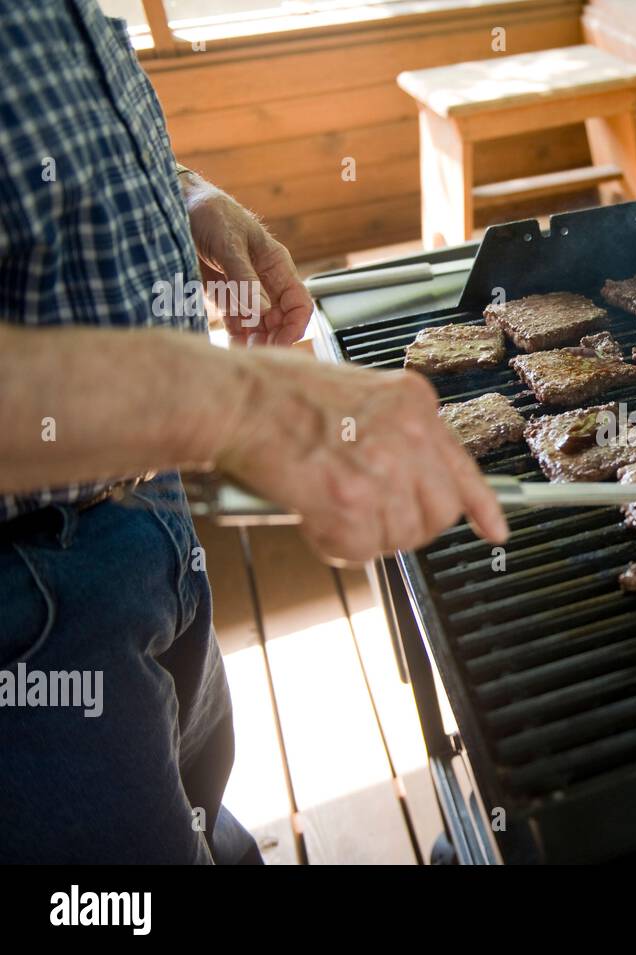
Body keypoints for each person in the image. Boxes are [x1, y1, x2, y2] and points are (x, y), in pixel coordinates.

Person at [0, 2, 507, 863]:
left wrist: (182, 194)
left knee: (198, 807)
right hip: (24, 598)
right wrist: (241, 403)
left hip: (144, 510)